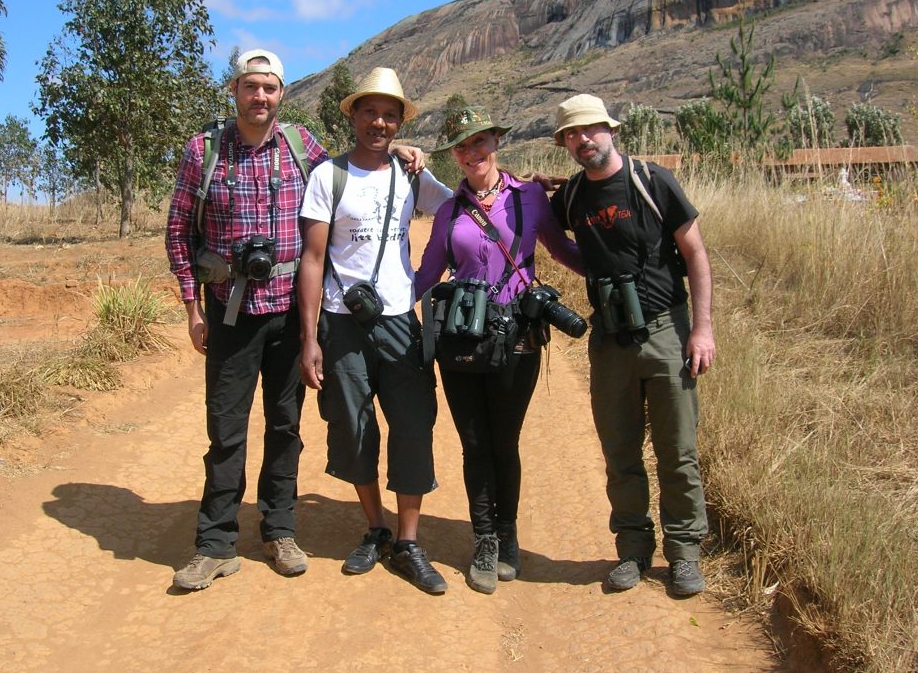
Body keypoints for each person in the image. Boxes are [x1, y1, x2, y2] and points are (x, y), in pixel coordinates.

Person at [165, 50, 423, 591]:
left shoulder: (302, 147)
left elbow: (357, 165)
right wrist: (192, 307)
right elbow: (177, 231)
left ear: (282, 94)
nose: (260, 97)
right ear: (235, 89)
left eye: (271, 88)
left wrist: (396, 149)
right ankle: (215, 544)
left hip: (287, 310)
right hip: (230, 310)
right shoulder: (203, 150)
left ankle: (280, 530)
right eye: (251, 86)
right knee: (226, 427)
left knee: (286, 426)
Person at [548, 93, 716, 596]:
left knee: (677, 451)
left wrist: (702, 328)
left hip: (667, 330)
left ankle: (684, 553)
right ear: (563, 143)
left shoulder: (652, 180)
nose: (582, 140)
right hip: (609, 338)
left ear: (610, 130)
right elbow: (534, 218)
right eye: (571, 135)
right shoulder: (572, 197)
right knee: (619, 451)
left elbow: (696, 253)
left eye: (590, 130)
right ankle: (633, 551)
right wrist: (538, 186)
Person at [415, 106, 586, 594]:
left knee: (503, 441)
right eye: (463, 146)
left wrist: (607, 269)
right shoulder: (448, 210)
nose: (472, 153)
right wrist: (380, 306)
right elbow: (428, 274)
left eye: (480, 142)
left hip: (517, 339)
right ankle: (484, 539)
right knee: (473, 444)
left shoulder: (530, 196)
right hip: (463, 340)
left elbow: (562, 250)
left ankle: (507, 536)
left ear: (496, 143)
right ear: (455, 154)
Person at [297, 67, 453, 594]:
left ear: (399, 122)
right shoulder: (327, 177)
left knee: (413, 424)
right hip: (341, 324)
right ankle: (377, 528)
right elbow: (313, 260)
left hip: (399, 322)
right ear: (354, 116)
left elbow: (462, 211)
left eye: (390, 114)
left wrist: (527, 196)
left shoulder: (411, 176)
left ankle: (408, 542)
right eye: (371, 112)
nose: (379, 122)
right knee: (354, 426)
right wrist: (310, 337)